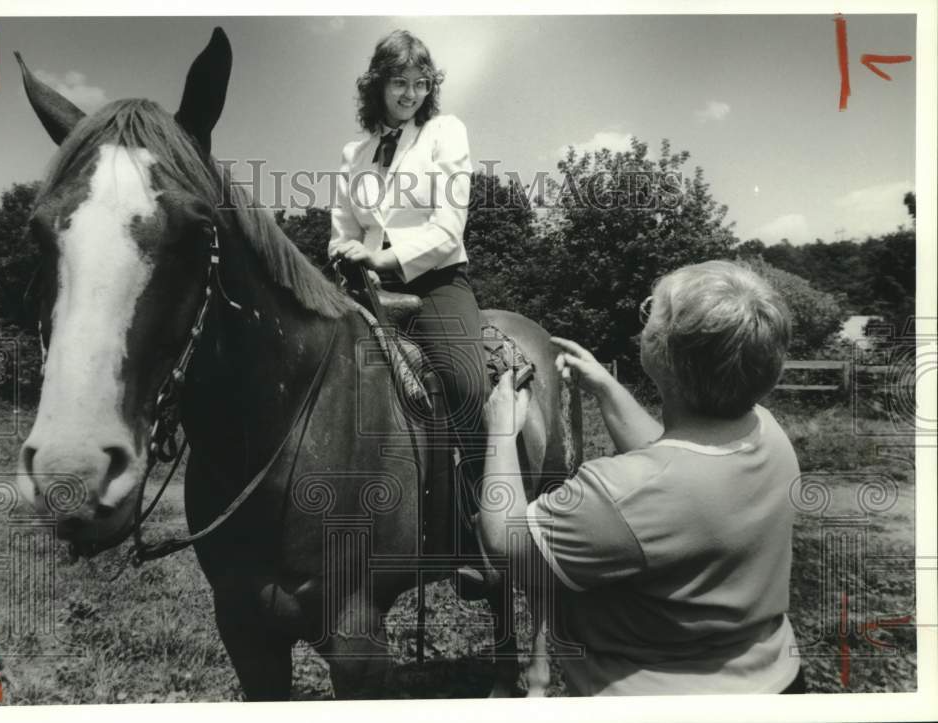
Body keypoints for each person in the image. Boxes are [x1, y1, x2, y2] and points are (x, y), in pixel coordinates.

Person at [479, 260, 806, 695]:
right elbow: (673, 461)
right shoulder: (766, 432)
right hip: (777, 680)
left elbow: (506, 539)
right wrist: (607, 387)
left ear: (661, 355)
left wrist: (501, 431)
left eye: (650, 311)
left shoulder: (617, 494)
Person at [329, 31, 488, 512]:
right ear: (377, 85)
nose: (409, 94)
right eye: (399, 81)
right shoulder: (352, 155)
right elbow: (340, 233)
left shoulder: (446, 132)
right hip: (367, 288)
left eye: (421, 83)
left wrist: (384, 259)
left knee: (465, 384)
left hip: (437, 280)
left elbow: (448, 226)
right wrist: (354, 261)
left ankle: (480, 513)